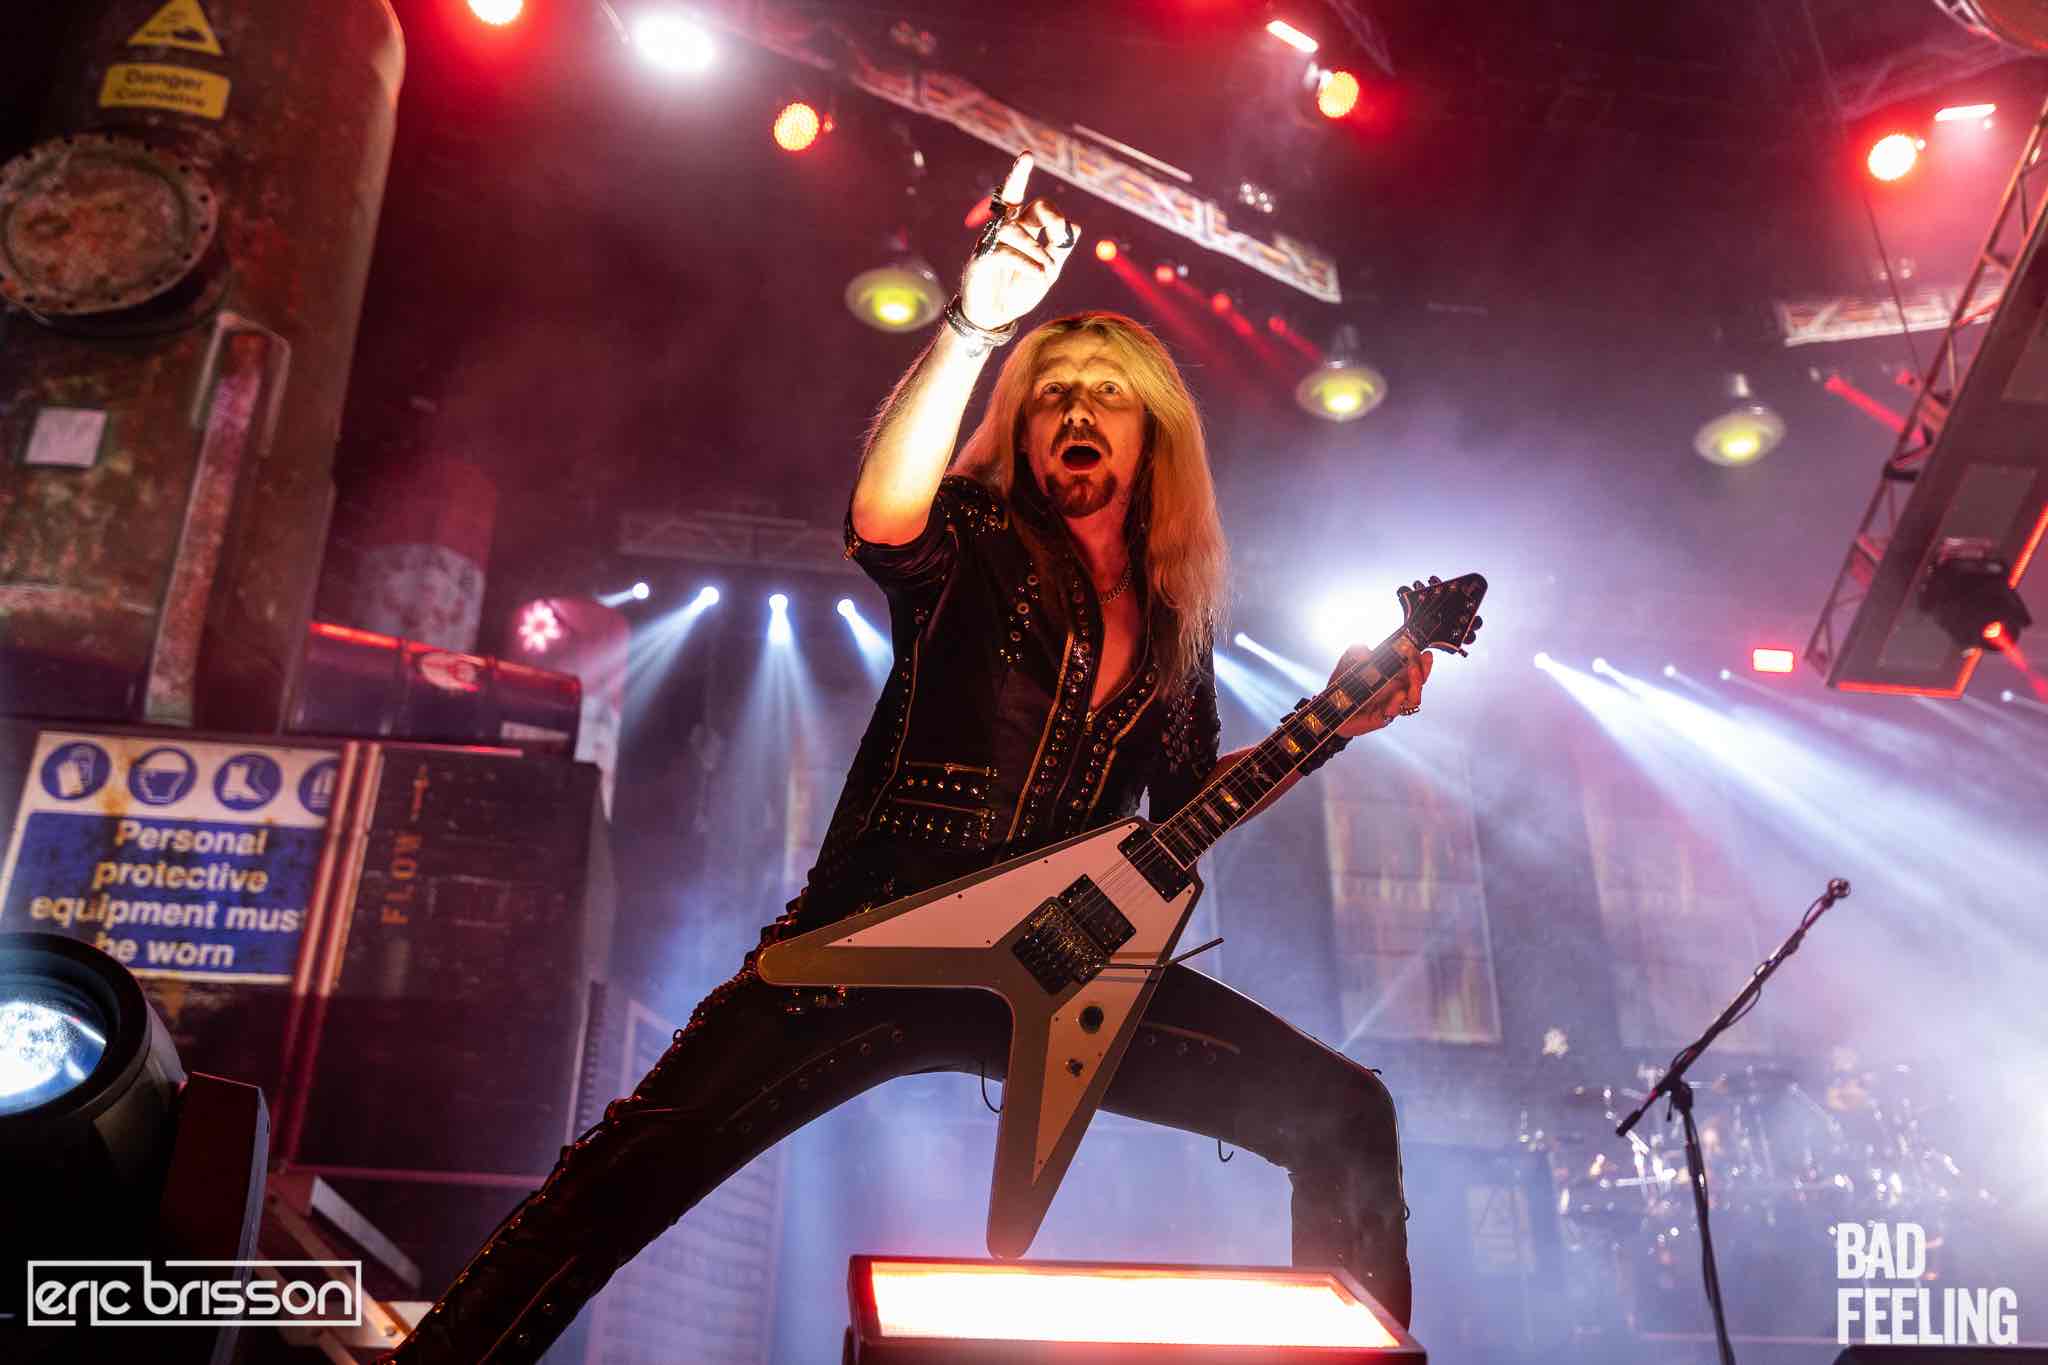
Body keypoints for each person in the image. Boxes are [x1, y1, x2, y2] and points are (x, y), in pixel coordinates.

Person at [388, 153, 1430, 1363]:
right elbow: (883, 518)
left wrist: (1329, 726)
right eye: (1053, 394)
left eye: (1107, 394)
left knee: (1343, 1113)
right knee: (626, 1168)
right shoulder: (976, 536)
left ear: (1153, 431)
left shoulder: (1173, 618)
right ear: (1022, 427)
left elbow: (1186, 795)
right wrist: (976, 327)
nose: (1078, 412)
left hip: (1063, 959)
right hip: (876, 930)